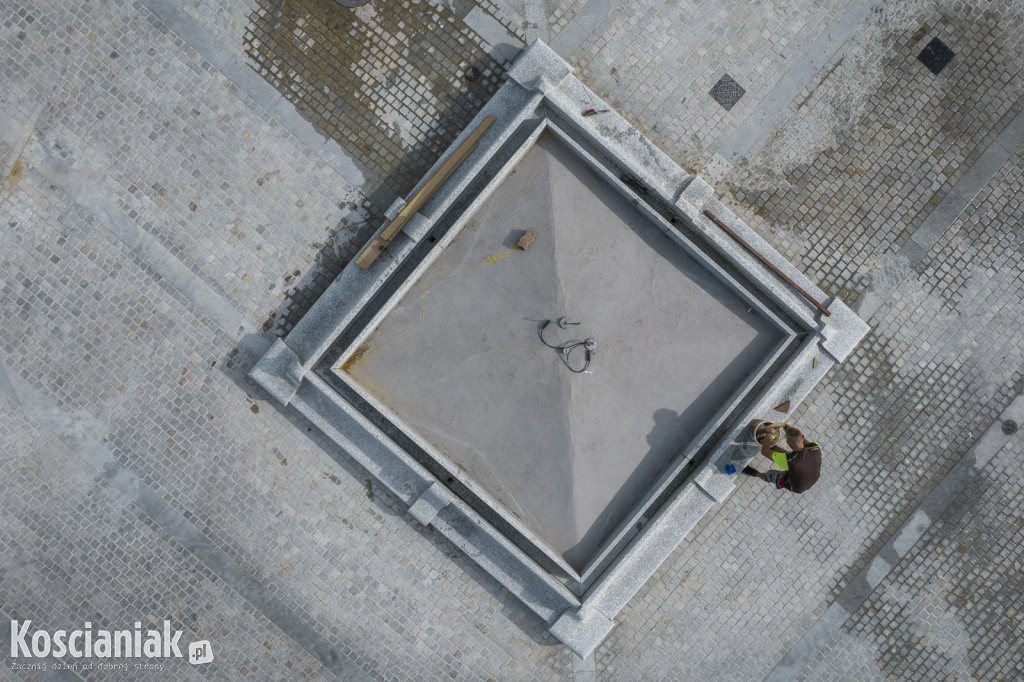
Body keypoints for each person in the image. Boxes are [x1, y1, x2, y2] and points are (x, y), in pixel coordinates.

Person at [741, 425, 822, 493]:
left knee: (770, 474)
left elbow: (764, 451)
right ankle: (771, 445)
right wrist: (789, 429)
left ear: (788, 443)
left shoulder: (790, 462)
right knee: (788, 455)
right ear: (803, 437)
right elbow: (798, 439)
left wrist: (769, 433)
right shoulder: (815, 447)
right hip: (812, 474)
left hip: (797, 485)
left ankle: (755, 473)